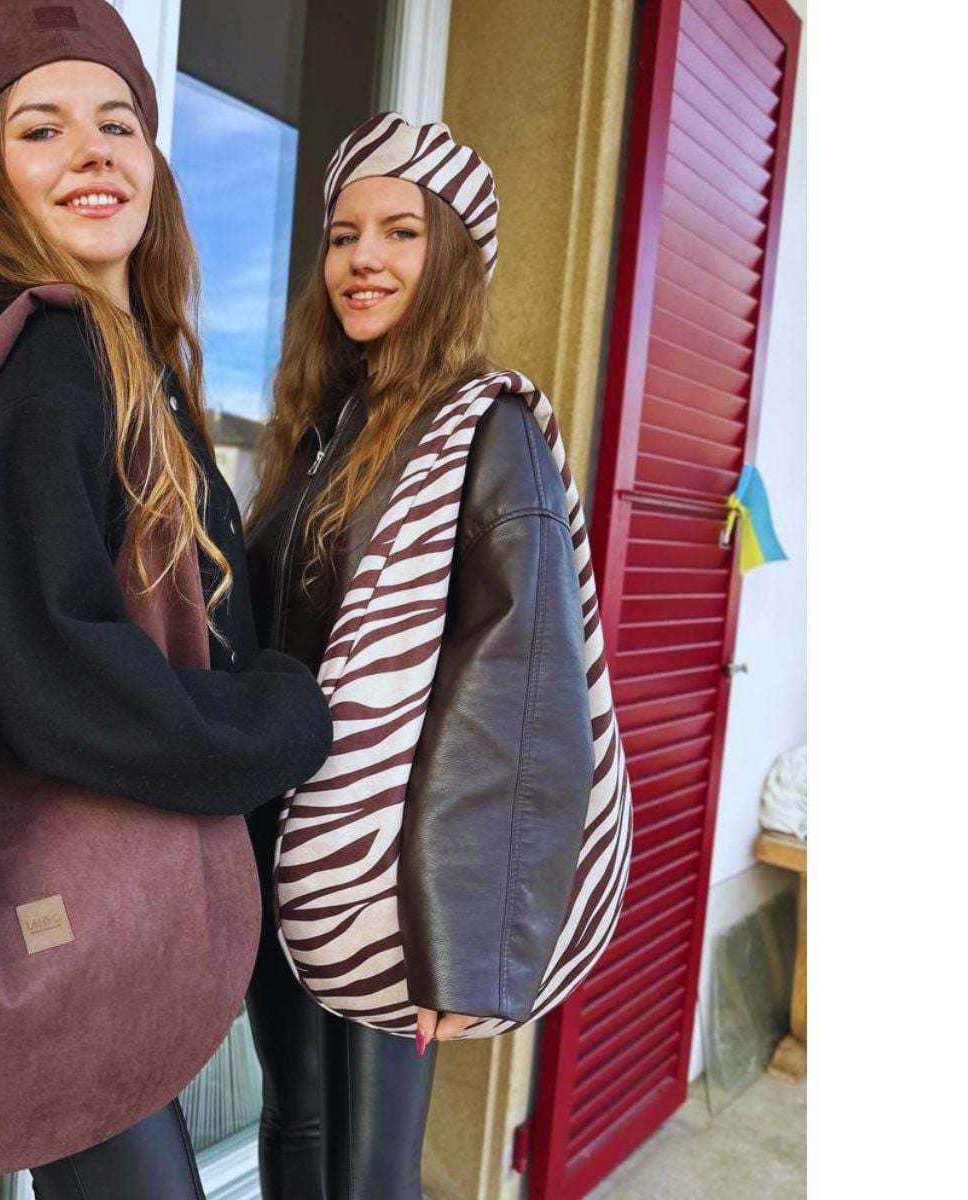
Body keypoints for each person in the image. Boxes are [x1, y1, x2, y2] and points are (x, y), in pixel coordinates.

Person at [0, 2, 334, 1195]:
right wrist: (284, 720)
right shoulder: (53, 360)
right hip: (70, 918)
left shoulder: (127, 357)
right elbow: (60, 679)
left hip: (104, 904)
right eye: (42, 130)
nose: (94, 152)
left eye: (118, 123)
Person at [243, 114, 598, 1199]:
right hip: (279, 833)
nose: (364, 260)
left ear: (452, 256)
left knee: (370, 1168)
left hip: (398, 868)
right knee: (292, 1113)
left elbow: (521, 696)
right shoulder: (318, 431)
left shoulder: (488, 433)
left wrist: (466, 943)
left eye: (400, 232)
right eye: (344, 235)